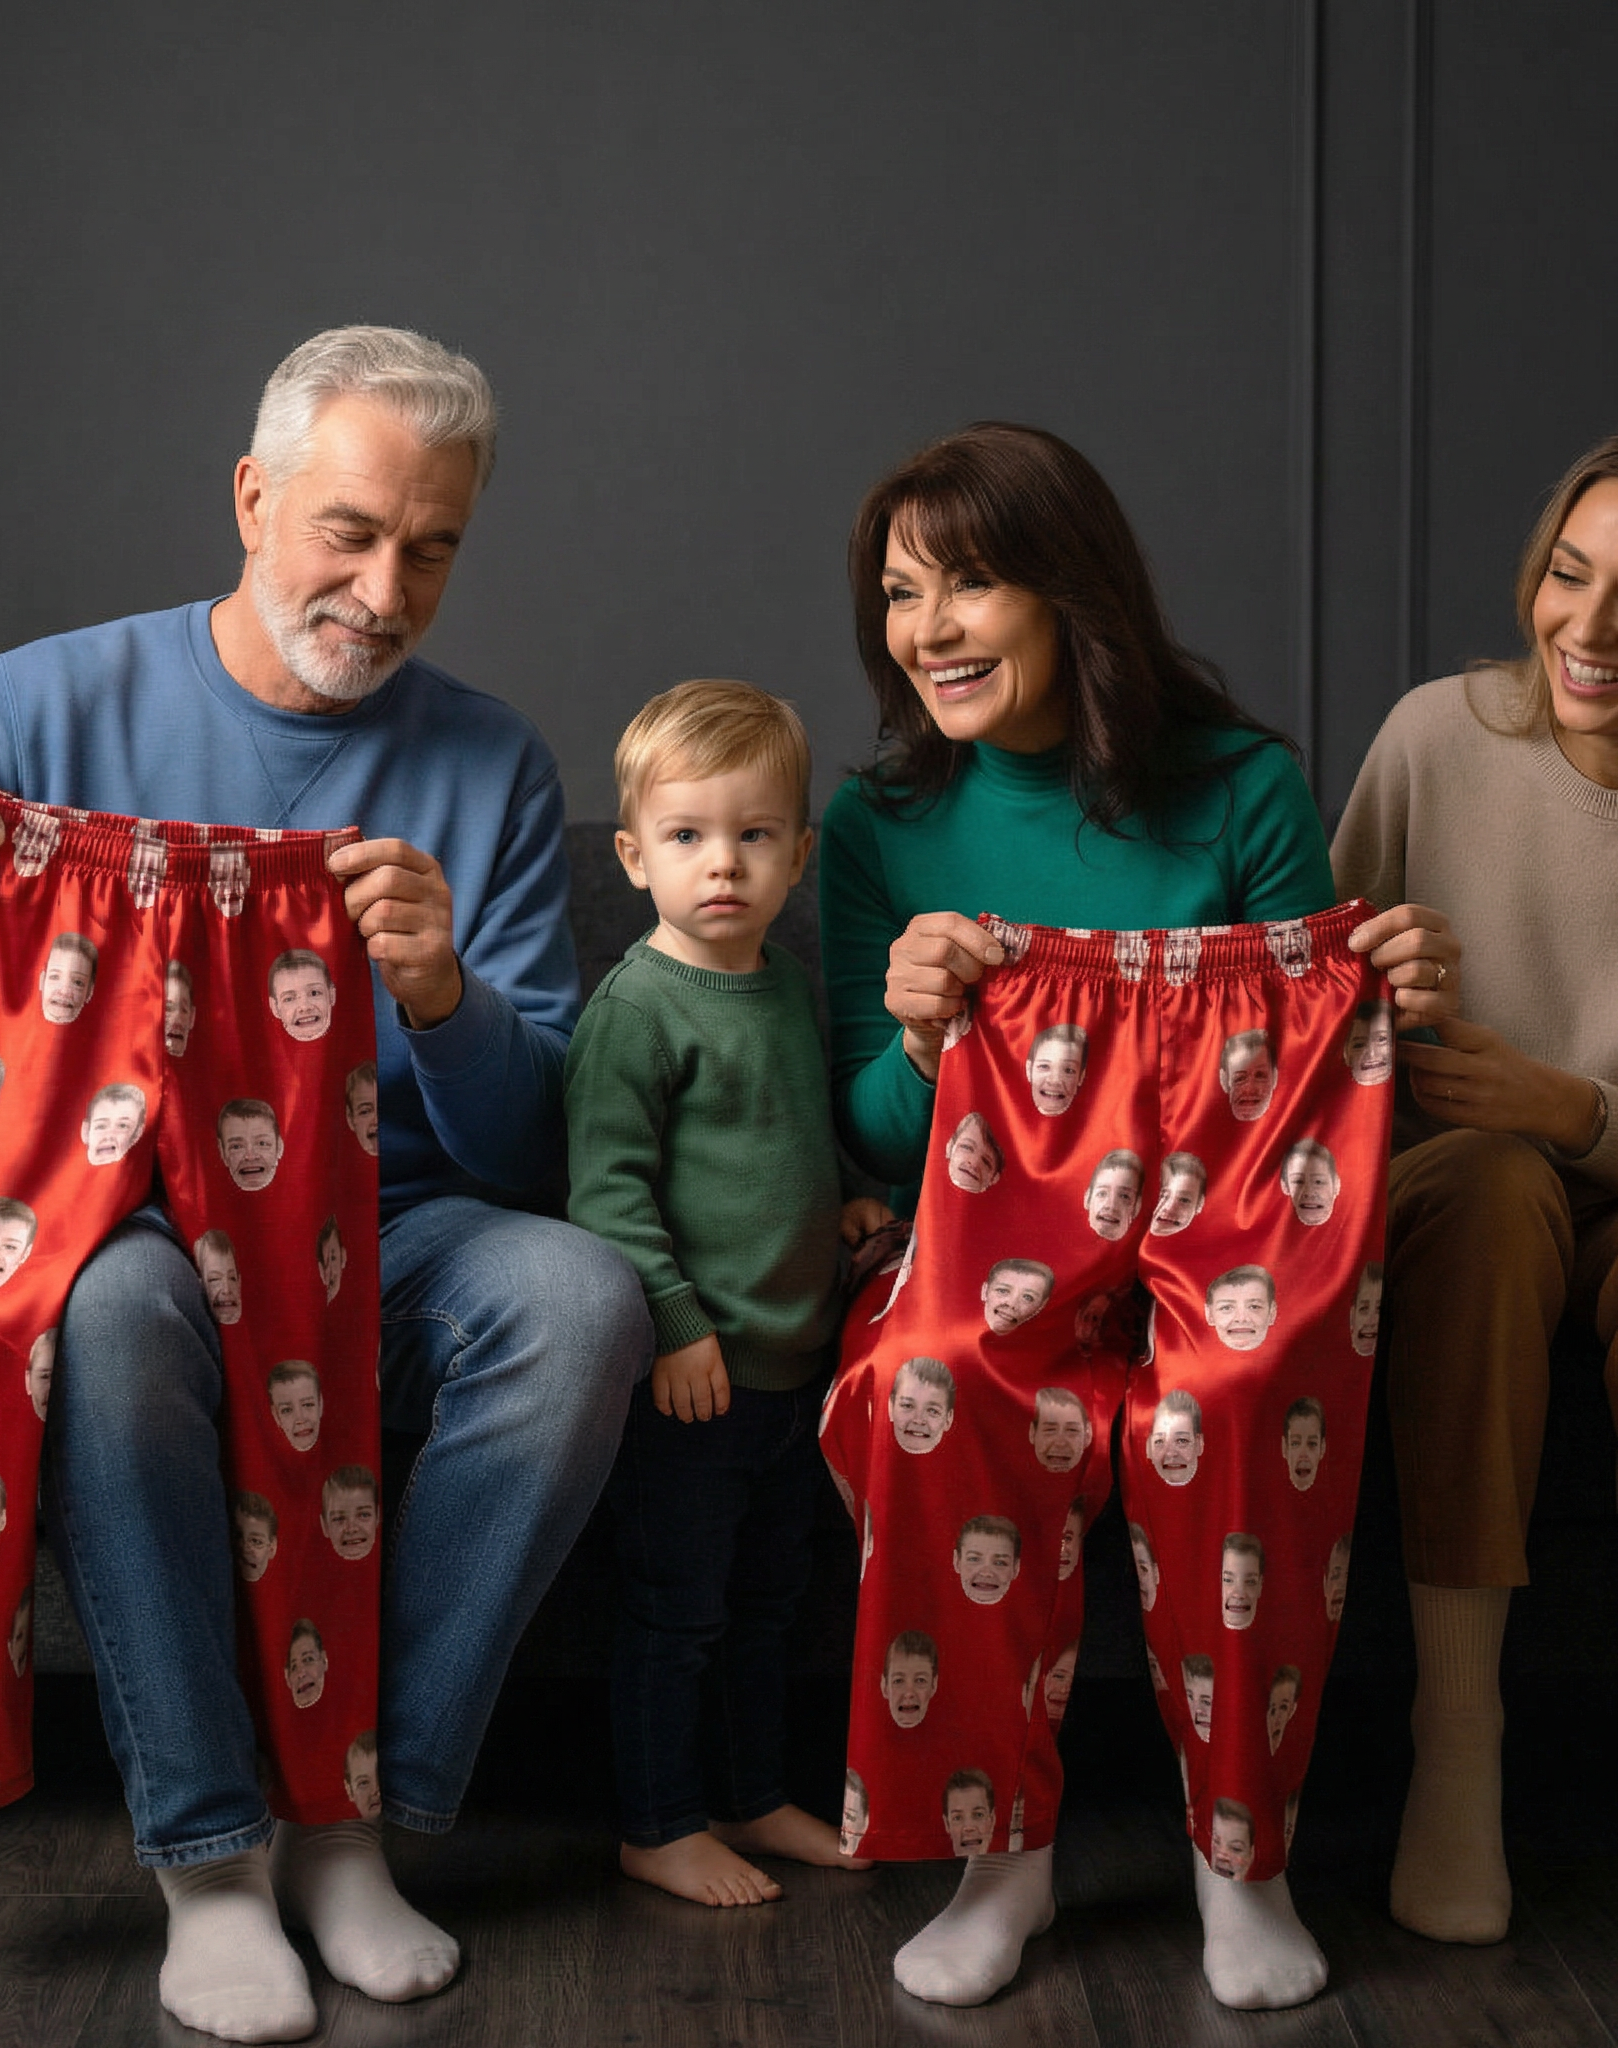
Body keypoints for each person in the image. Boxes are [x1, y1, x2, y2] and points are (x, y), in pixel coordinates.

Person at [0, 325, 651, 2041]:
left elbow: (539, 1153)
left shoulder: (491, 762)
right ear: (251, 496)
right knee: (121, 1299)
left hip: (392, 1225)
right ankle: (209, 1862)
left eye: (431, 548)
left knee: (583, 1300)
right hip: (124, 1219)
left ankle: (347, 1820)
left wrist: (441, 991)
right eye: (350, 531)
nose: (383, 586)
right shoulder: (40, 706)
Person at [817, 422, 1454, 2011]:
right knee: (932, 1385)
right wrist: (914, 1036)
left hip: (1232, 1218)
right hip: (975, 1227)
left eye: (970, 585)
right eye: (902, 597)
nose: (931, 630)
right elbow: (873, 1138)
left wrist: (1400, 1003)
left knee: (1232, 1400)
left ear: (1072, 592)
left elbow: (1318, 1082)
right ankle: (996, 1858)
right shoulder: (873, 830)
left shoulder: (1241, 787)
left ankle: (1246, 1859)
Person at [1331, 433, 1618, 1947]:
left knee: (1535, 1154)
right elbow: (1314, 1034)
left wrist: (1572, 1102)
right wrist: (1384, 1001)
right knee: (1504, 1186)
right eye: (1570, 576)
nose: (1590, 629)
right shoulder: (1436, 736)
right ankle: (1461, 1743)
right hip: (1456, 1187)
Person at [565, 680, 876, 1908]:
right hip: (694, 1375)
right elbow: (607, 1193)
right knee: (676, 1614)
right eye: (687, 836)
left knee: (769, 1606)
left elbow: (795, 1132)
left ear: (798, 855)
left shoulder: (787, 987)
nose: (722, 865)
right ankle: (658, 1820)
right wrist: (674, 1324)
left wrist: (848, 1190)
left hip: (794, 1365)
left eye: (753, 836)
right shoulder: (636, 1012)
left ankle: (753, 1794)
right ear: (633, 855)